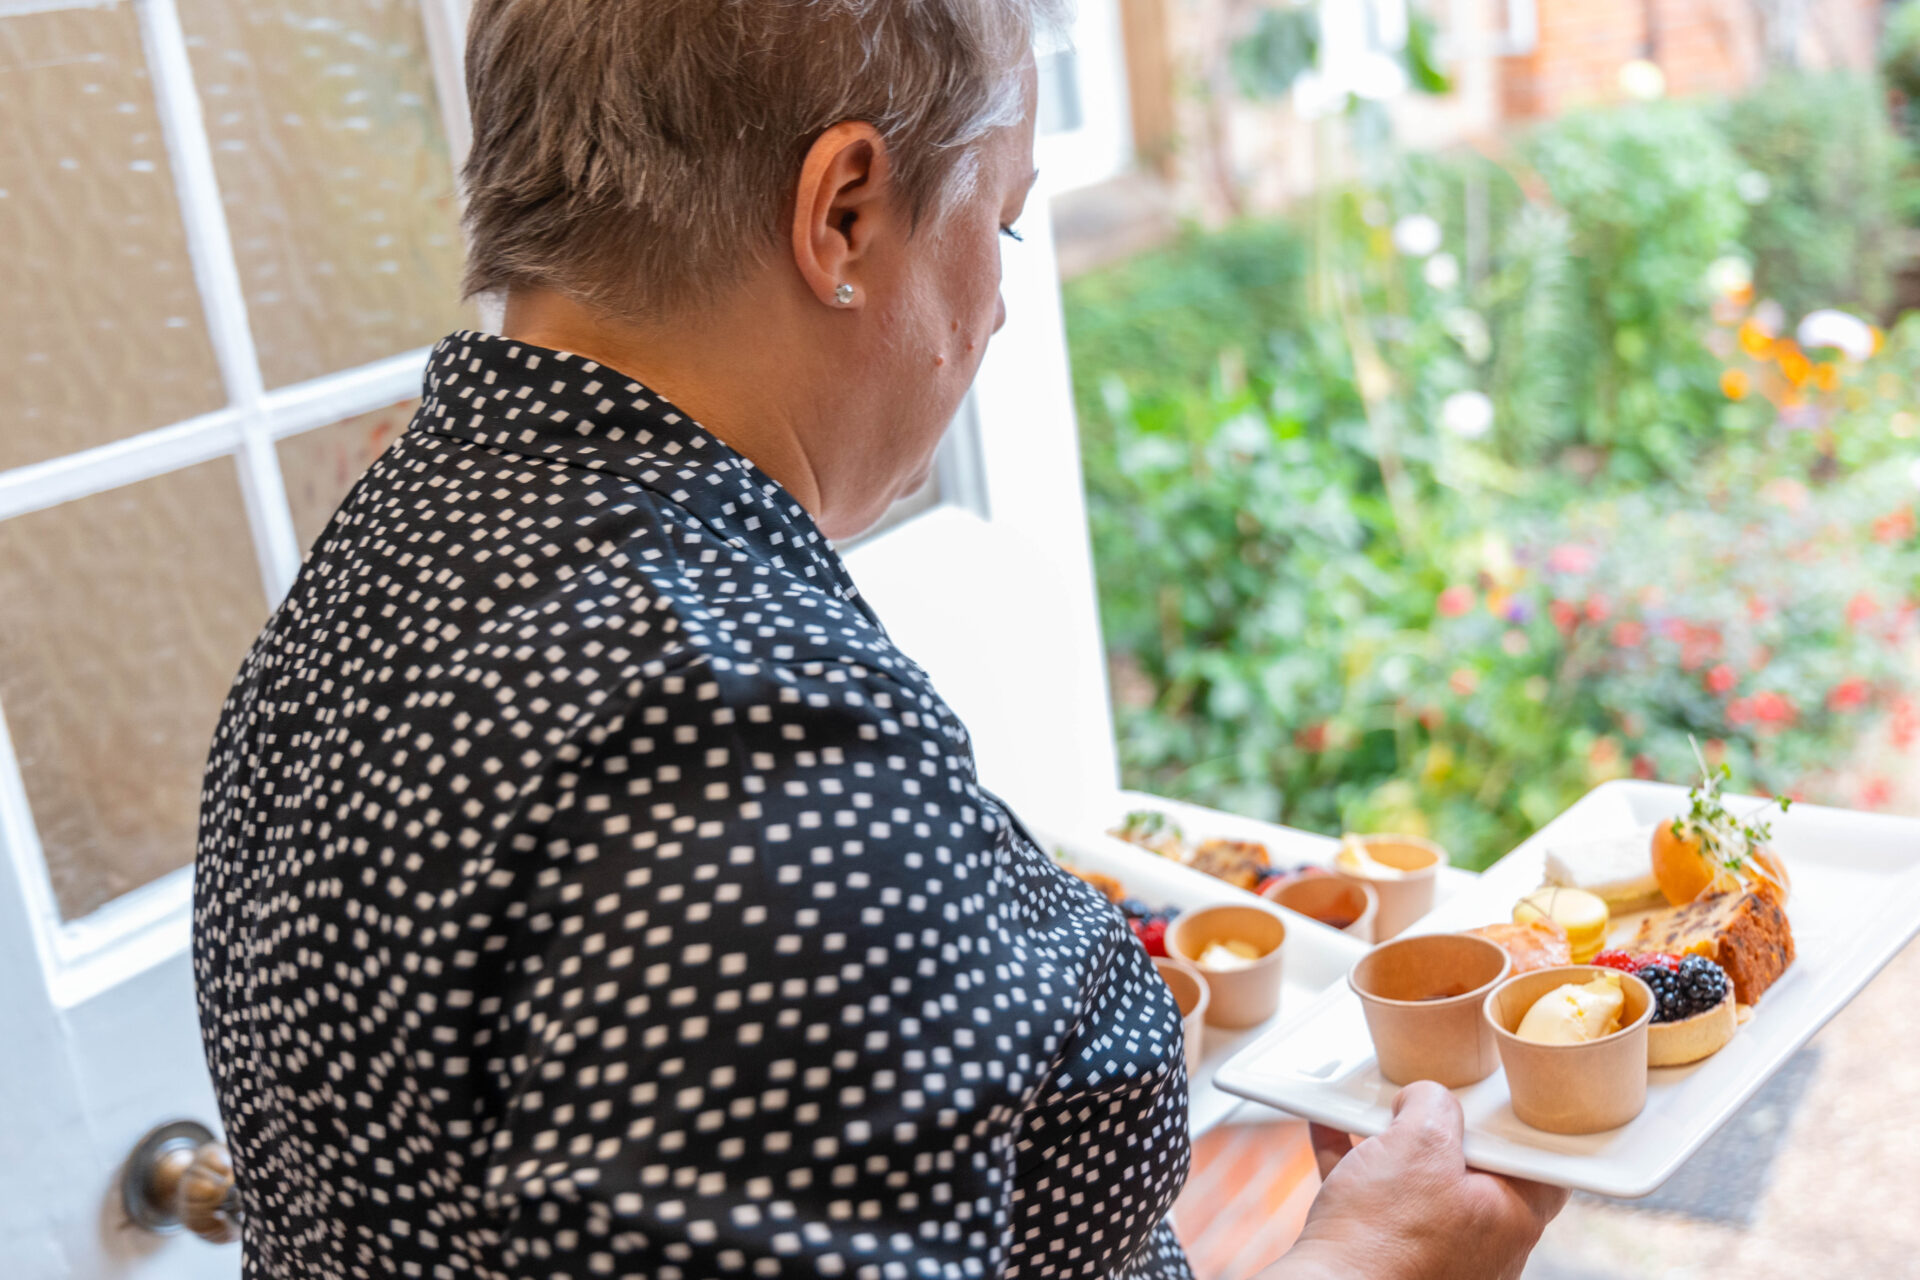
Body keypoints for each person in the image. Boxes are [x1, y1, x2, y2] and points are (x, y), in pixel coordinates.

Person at [193, 2, 1566, 1277]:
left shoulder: (393, 550)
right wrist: (1369, 1262)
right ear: (842, 213)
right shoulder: (737, 748)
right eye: (1006, 225)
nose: (1001, 305)